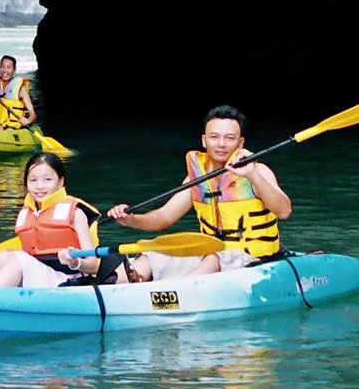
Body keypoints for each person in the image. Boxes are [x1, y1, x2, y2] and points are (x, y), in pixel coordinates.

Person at [105, 104, 291, 281]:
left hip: (251, 259)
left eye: (229, 138)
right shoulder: (196, 180)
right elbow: (164, 217)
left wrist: (252, 175)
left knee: (213, 259)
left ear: (240, 143)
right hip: (210, 252)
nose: (221, 144)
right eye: (214, 137)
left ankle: (175, 292)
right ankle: (116, 284)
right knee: (153, 254)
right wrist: (131, 220)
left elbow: (284, 211)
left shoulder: (258, 172)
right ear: (204, 140)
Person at [0, 152, 102, 288]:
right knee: (4, 256)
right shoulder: (28, 213)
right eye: (33, 180)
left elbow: (93, 266)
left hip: (68, 281)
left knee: (17, 259)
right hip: (37, 275)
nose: (40, 186)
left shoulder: (76, 213)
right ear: (26, 183)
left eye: (47, 180)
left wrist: (74, 262)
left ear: (60, 182)